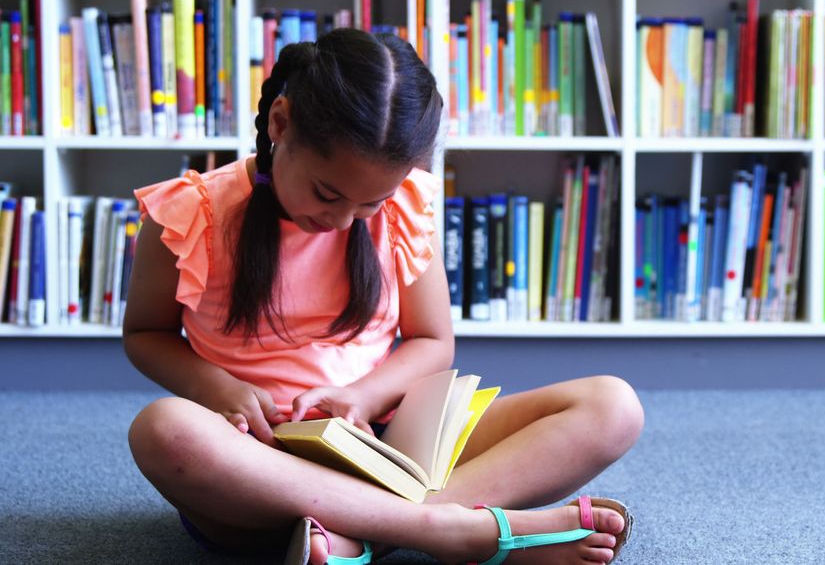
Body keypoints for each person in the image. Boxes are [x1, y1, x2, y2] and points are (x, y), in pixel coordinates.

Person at [124, 28, 644, 565]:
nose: (342, 220)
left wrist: (366, 395)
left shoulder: (406, 208)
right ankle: (449, 527)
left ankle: (386, 532)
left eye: (370, 203)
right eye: (328, 193)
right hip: (260, 464)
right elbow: (145, 334)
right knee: (164, 430)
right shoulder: (192, 213)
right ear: (280, 123)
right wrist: (219, 387)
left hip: (384, 443)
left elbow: (433, 340)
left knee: (613, 405)